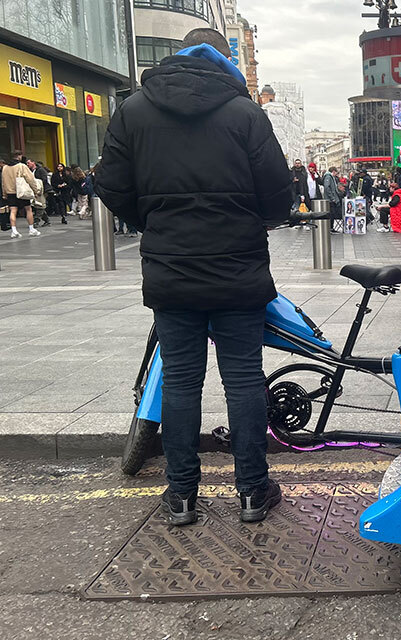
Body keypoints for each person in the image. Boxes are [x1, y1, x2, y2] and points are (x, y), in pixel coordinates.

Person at [95, 28, 291, 526]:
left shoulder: (134, 111)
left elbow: (110, 185)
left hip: (171, 268)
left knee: (181, 382)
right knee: (243, 380)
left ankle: (181, 496)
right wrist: (254, 219)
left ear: (177, 54)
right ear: (225, 61)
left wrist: (151, 220)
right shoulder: (246, 113)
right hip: (238, 269)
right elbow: (278, 195)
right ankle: (251, 492)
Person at [2, 151, 42, 238]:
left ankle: (14, 230)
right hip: (21, 192)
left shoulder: (5, 168)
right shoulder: (22, 166)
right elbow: (30, 179)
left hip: (10, 192)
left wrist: (4, 193)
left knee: (13, 211)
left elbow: (3, 182)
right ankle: (31, 229)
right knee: (28, 209)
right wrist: (36, 190)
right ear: (19, 156)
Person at [27, 158, 52, 227]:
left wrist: (38, 187)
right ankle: (47, 220)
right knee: (38, 205)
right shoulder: (29, 171)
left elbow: (44, 180)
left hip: (42, 190)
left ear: (33, 163)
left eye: (28, 163)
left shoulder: (41, 170)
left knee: (40, 205)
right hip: (34, 190)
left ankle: (36, 220)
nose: (27, 164)